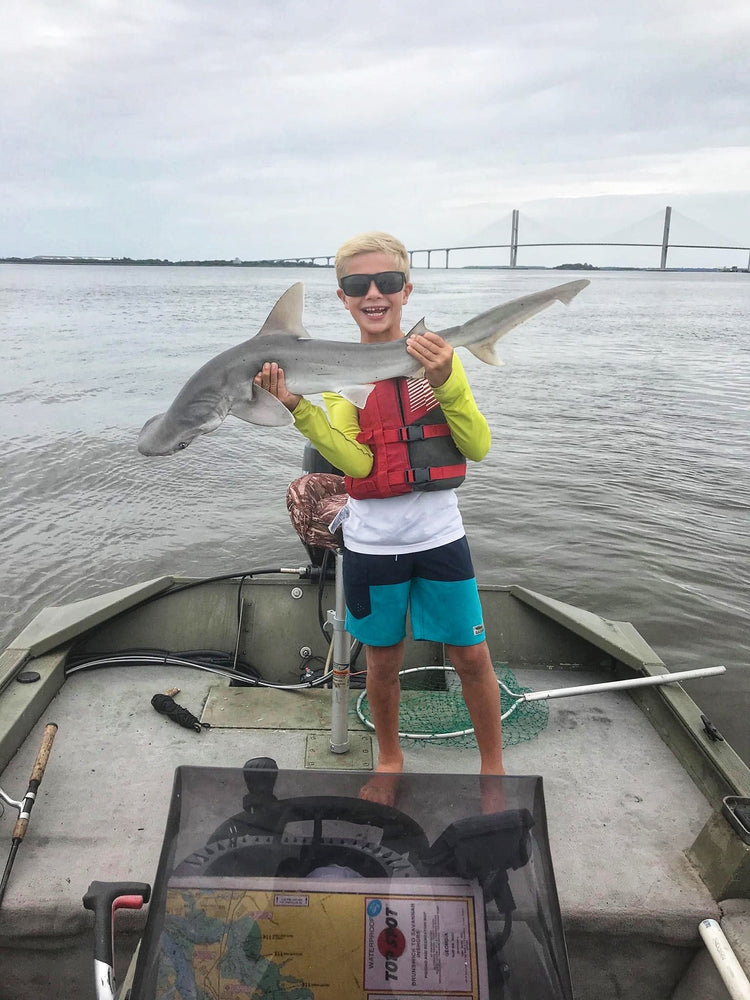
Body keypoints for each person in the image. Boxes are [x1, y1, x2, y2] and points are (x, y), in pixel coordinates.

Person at [254, 231, 504, 801]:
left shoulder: (433, 360)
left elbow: (479, 445)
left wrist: (447, 382)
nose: (373, 293)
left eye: (386, 282)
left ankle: (493, 769)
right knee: (383, 661)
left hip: (441, 536)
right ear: (341, 298)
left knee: (471, 657)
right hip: (373, 543)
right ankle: (389, 761)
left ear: (406, 290)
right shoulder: (341, 378)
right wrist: (298, 408)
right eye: (356, 285)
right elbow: (358, 462)